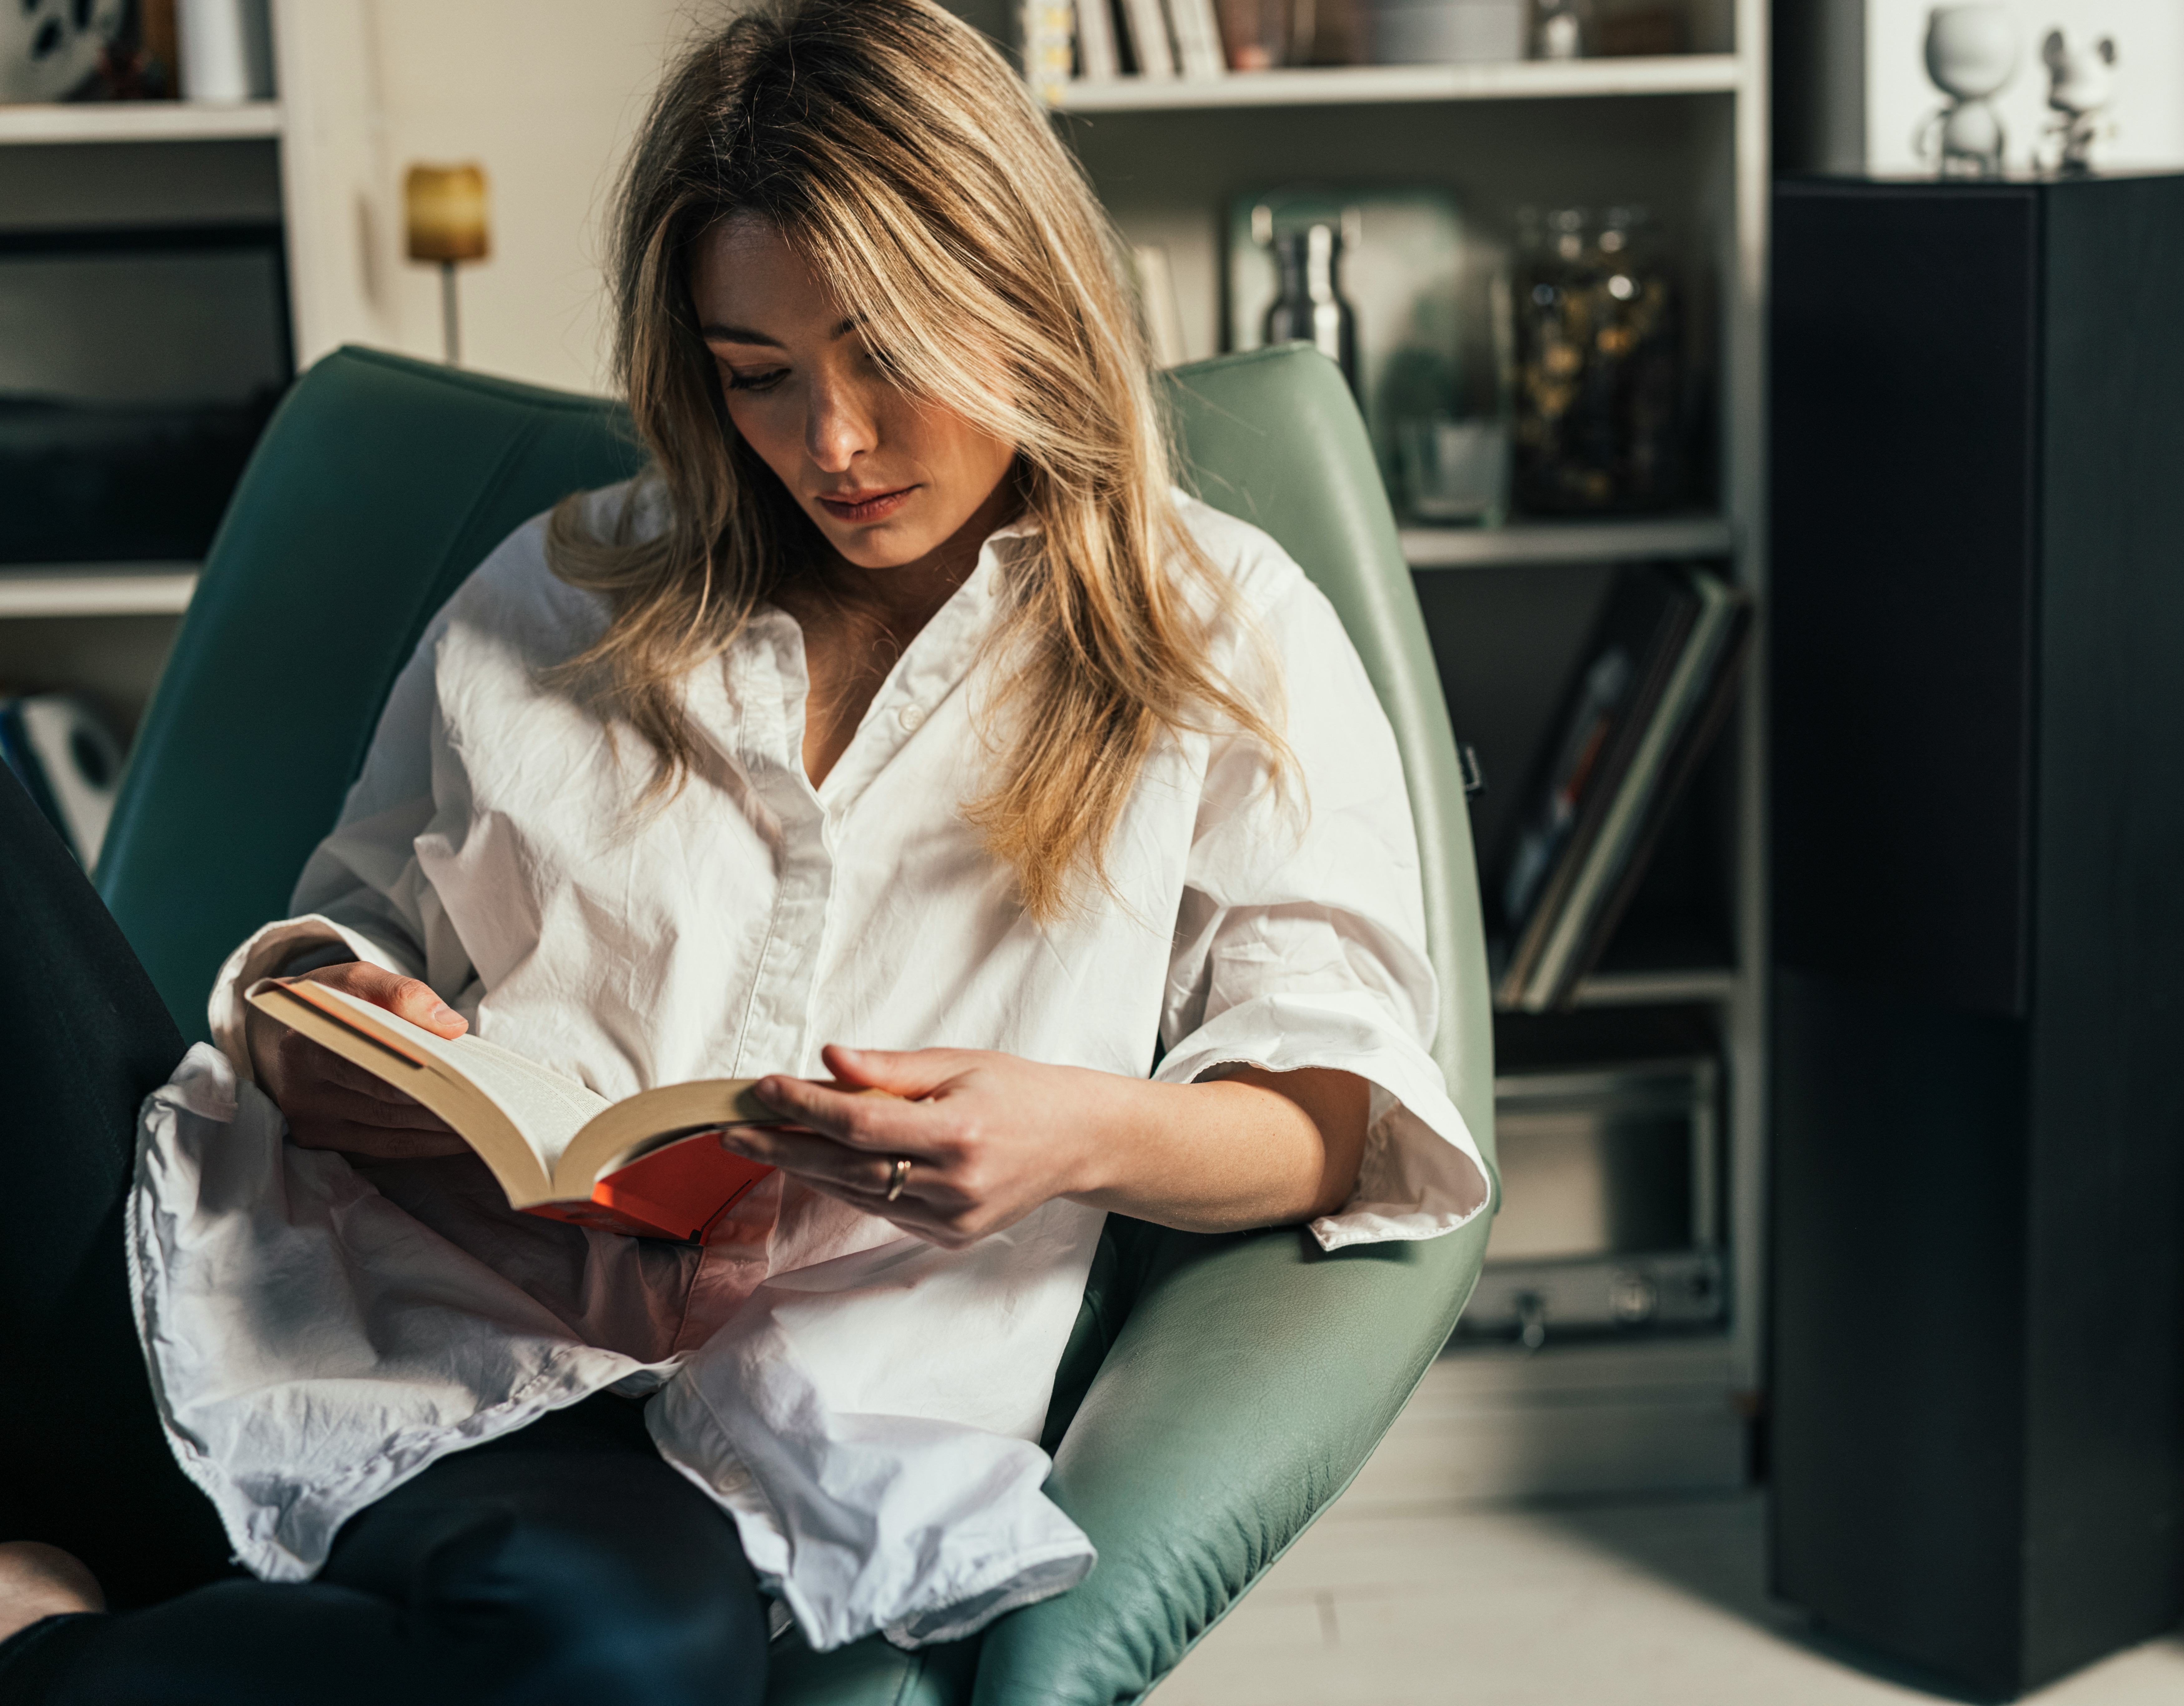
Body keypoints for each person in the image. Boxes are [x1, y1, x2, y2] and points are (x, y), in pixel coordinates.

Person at [0, 1, 1488, 1699]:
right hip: (301, 1274)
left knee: (628, 1645)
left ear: (1020, 290)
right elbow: (353, 933)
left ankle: (52, 1631)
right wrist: (321, 1026)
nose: (831, 444)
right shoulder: (561, 585)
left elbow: (1344, 1110)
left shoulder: (1214, 630)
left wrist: (1071, 1134)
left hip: (696, 1442)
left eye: (886, 352)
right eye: (757, 375)